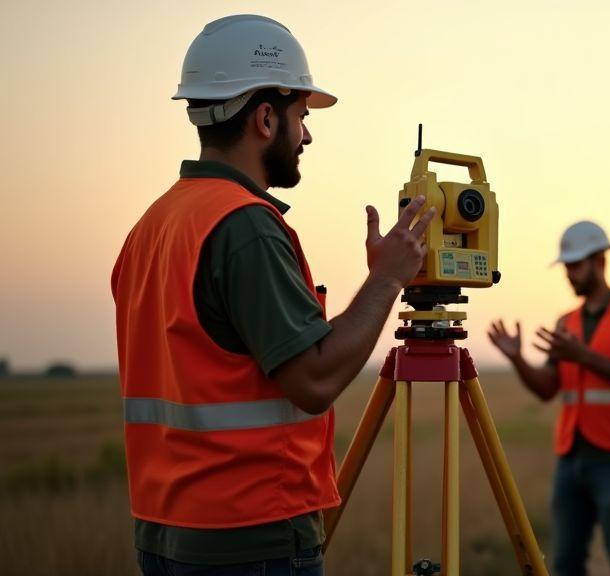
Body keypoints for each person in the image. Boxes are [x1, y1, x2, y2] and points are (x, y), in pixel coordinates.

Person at [111, 15, 435, 575]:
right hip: (248, 535)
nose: (306, 135)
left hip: (166, 534)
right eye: (301, 117)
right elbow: (313, 380)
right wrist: (387, 279)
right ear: (265, 118)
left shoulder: (154, 225)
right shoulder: (244, 227)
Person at [488, 221, 610, 576]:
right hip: (571, 460)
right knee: (565, 564)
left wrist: (585, 358)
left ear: (599, 261)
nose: (569, 274)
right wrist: (517, 358)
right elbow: (548, 389)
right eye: (566, 267)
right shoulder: (566, 322)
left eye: (575, 265)